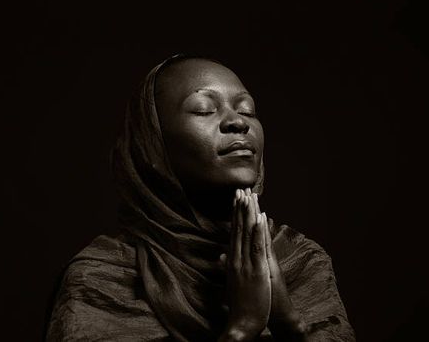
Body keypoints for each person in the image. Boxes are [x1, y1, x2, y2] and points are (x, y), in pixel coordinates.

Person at [46, 54, 355, 341]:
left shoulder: (302, 262)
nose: (238, 121)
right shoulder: (104, 279)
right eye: (205, 109)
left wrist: (289, 324)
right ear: (153, 143)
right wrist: (242, 328)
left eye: (248, 110)